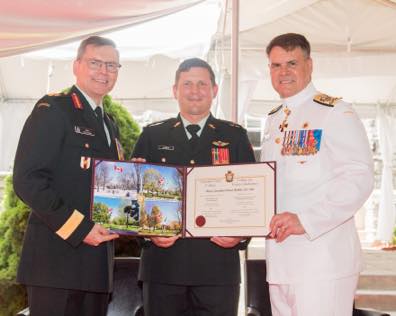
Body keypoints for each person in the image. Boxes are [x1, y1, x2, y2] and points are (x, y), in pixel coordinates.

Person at [261, 33, 374, 316]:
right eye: (276, 66)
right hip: (280, 262)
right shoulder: (274, 119)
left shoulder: (335, 112)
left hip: (322, 260)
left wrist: (307, 220)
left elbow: (359, 178)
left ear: (309, 65)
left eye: (291, 63)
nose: (283, 72)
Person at [132, 57, 255, 316]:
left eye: (202, 83)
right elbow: (134, 196)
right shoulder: (152, 136)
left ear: (214, 90)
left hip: (218, 269)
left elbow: (251, 195)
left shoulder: (235, 136)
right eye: (187, 84)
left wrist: (241, 234)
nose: (195, 91)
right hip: (163, 268)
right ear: (175, 90)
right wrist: (148, 232)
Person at [13, 36, 123, 316]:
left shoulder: (108, 123)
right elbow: (28, 180)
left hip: (97, 266)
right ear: (76, 66)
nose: (104, 71)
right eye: (95, 63)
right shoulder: (54, 110)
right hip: (56, 264)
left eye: (111, 65)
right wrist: (80, 228)